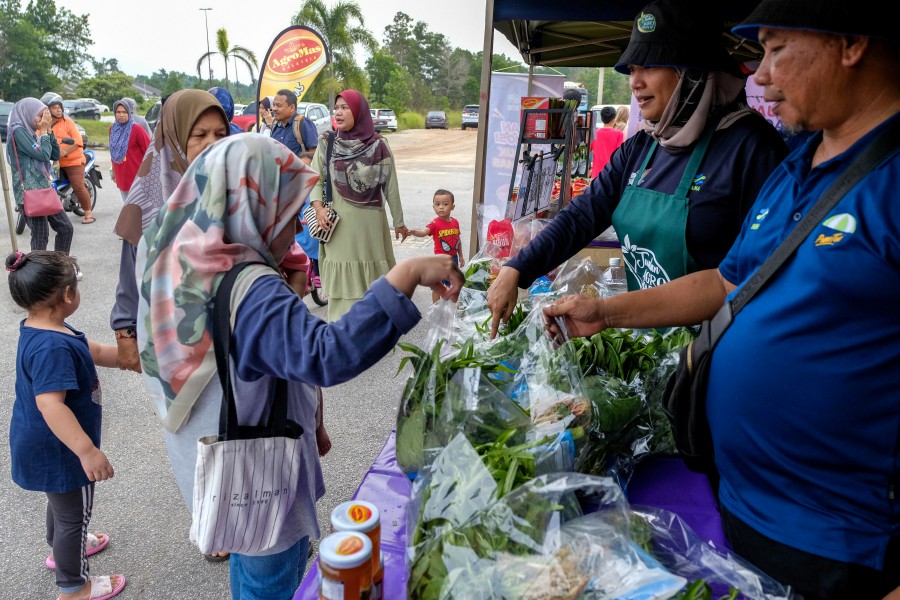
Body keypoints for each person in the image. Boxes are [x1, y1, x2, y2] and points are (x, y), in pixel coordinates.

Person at [543, 0, 900, 597]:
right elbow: (726, 284)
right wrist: (603, 313)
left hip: (841, 549)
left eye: (776, 48)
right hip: (734, 507)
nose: (758, 74)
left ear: (852, 42)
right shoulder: (798, 164)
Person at [134, 133, 463, 599]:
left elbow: (277, 359)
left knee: (247, 559)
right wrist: (403, 276)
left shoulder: (178, 258)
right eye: (289, 212)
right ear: (256, 203)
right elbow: (326, 353)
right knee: (270, 572)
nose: (297, 230)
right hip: (259, 474)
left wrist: (314, 419)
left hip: (217, 463)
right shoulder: (248, 286)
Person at [486, 0, 788, 338]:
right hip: (648, 345)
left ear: (692, 70)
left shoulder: (752, 149)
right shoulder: (642, 148)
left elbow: (763, 277)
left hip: (719, 352)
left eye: (649, 65)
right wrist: (518, 267)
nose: (635, 82)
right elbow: (582, 215)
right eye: (632, 69)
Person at [6, 250, 126, 600]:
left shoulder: (43, 327)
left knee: (62, 508)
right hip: (64, 450)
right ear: (68, 294)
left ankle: (61, 551)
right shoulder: (52, 348)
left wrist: (133, 360)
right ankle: (74, 586)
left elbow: (96, 351)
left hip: (43, 444)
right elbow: (50, 404)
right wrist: (87, 451)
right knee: (74, 515)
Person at [309, 89, 410, 320]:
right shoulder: (328, 142)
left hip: (369, 224)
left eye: (345, 107)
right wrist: (319, 208)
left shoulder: (379, 145)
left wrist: (399, 223)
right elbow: (314, 178)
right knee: (341, 283)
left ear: (358, 111)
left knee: (372, 284)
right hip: (338, 223)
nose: (339, 112)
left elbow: (390, 187)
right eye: (337, 108)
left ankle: (371, 327)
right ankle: (339, 330)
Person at [6, 97, 74, 253]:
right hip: (30, 193)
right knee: (40, 235)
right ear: (27, 113)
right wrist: (43, 132)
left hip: (44, 189)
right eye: (40, 115)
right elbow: (43, 155)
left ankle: (60, 268)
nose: (43, 119)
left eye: (45, 115)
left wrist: (48, 131)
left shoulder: (31, 133)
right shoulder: (18, 131)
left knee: (65, 228)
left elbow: (54, 154)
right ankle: (38, 274)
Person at [43, 93, 94, 225]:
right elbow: (37, 138)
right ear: (47, 109)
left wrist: (64, 151)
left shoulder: (68, 122)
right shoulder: (43, 124)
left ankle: (88, 213)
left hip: (72, 161)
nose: (58, 109)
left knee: (77, 185)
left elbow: (77, 141)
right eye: (54, 107)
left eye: (59, 107)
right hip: (53, 162)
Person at [408, 189, 465, 302]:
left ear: (452, 207)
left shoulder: (455, 222)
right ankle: (435, 307)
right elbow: (424, 232)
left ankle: (452, 306)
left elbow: (458, 240)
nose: (441, 207)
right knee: (438, 285)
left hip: (453, 259)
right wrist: (414, 232)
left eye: (445, 204)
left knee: (453, 283)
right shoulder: (435, 224)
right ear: (433, 207)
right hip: (439, 260)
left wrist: (461, 256)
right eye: (437, 204)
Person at [109, 99, 152, 202]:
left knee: (138, 208)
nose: (121, 115)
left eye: (124, 112)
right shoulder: (112, 128)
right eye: (118, 112)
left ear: (129, 113)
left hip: (137, 175)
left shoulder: (137, 129)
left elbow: (150, 151)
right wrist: (114, 172)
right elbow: (113, 151)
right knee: (127, 204)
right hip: (121, 173)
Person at [269, 89, 318, 155]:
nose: (274, 109)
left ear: (292, 108)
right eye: (274, 105)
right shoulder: (275, 126)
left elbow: (314, 154)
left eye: (279, 105)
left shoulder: (303, 124)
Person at [590, 106, 625, 178]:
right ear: (613, 120)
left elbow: (589, 150)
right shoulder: (619, 134)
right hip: (610, 173)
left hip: (596, 173)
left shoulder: (594, 133)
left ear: (602, 118)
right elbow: (618, 155)